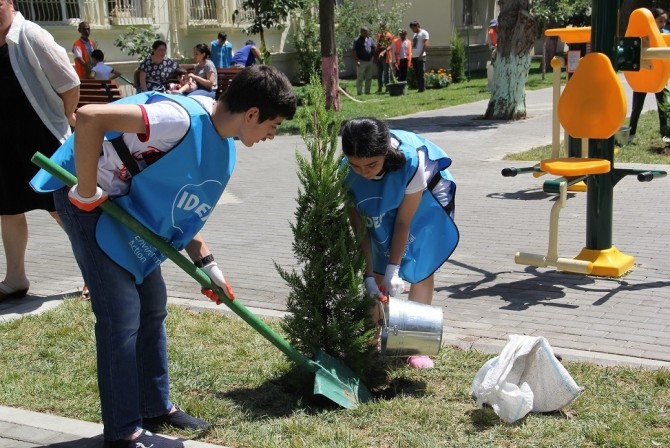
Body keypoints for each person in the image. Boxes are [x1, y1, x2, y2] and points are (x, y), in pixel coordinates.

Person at [31, 65, 297, 448]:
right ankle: (123, 432)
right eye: (273, 125)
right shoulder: (177, 118)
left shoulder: (221, 145)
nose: (273, 135)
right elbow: (90, 117)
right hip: (89, 201)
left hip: (127, 207)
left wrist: (209, 265)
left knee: (152, 305)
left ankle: (155, 407)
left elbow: (178, 206)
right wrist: (86, 192)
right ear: (252, 113)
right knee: (120, 316)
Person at [341, 117, 459, 370]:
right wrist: (370, 276)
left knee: (419, 265)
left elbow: (404, 222)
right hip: (378, 205)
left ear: (385, 152)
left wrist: (395, 269)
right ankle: (371, 339)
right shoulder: (345, 172)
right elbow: (362, 229)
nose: (364, 172)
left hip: (424, 203)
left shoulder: (411, 162)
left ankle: (415, 345)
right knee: (379, 265)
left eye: (371, 164)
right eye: (356, 166)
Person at [0, 0, 79, 301]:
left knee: (62, 209)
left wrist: (66, 116)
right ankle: (16, 278)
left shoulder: (29, 35)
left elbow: (69, 82)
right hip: (5, 142)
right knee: (8, 209)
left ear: (9, 2)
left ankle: (95, 273)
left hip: (41, 139)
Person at [628, 7, 670, 145]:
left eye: (665, 21)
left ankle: (665, 134)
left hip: (659, 75)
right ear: (652, 20)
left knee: (662, 105)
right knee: (637, 107)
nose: (663, 24)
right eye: (660, 21)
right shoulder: (642, 35)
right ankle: (631, 134)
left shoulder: (666, 34)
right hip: (643, 74)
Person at [353, 26, 376, 95]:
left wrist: (374, 58)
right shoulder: (357, 40)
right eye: (365, 32)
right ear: (361, 32)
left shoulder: (370, 39)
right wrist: (356, 60)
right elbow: (354, 51)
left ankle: (367, 91)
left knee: (369, 77)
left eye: (367, 32)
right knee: (360, 77)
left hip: (369, 61)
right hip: (361, 61)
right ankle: (359, 92)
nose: (366, 34)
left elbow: (373, 48)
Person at [409, 21, 429, 92]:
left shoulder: (424, 33)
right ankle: (419, 88)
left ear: (417, 26)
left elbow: (425, 44)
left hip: (421, 56)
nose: (412, 30)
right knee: (416, 73)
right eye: (411, 29)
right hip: (414, 56)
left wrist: (421, 55)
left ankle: (422, 88)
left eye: (413, 28)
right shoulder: (415, 35)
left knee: (421, 72)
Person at [375, 25, 394, 92]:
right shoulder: (379, 35)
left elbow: (390, 46)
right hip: (379, 56)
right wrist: (376, 55)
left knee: (386, 73)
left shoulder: (389, 35)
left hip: (386, 56)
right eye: (381, 27)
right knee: (379, 72)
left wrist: (383, 52)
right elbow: (377, 45)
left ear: (386, 28)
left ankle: (387, 87)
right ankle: (380, 87)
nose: (381, 28)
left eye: (383, 27)